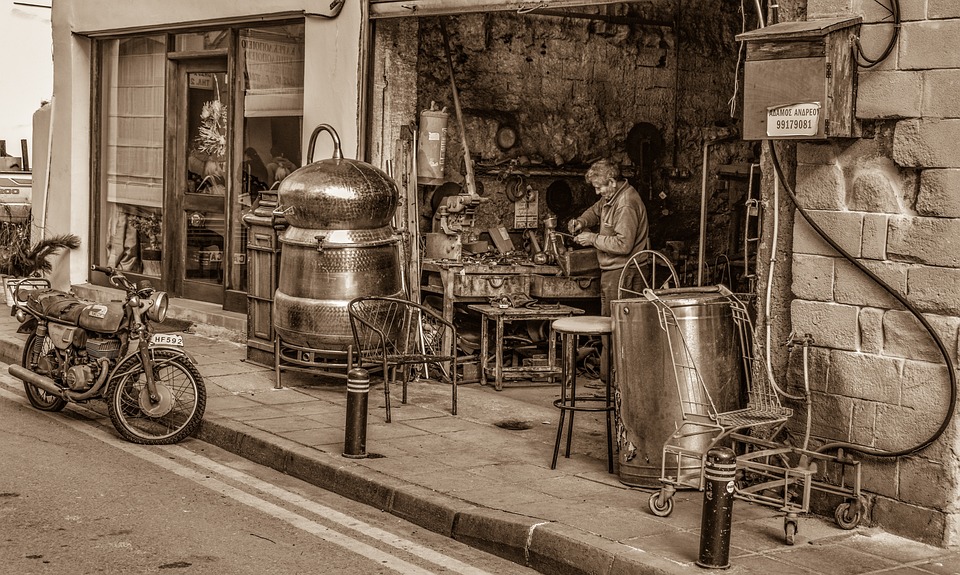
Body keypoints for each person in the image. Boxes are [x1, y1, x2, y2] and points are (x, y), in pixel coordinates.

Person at [568, 158, 649, 316]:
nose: (597, 192)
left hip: (625, 272)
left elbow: (623, 245)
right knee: (609, 322)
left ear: (611, 182)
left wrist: (592, 238)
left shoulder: (626, 204)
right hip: (614, 270)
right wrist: (581, 221)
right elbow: (595, 210)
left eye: (599, 188)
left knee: (618, 325)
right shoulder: (611, 197)